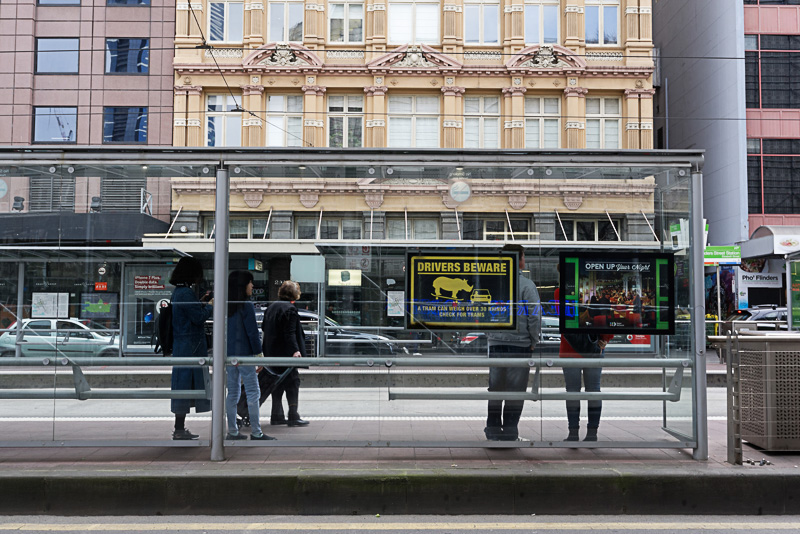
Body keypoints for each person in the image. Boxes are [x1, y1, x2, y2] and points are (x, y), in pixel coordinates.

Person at [485, 244, 541, 442]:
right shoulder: (527, 285)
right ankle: (509, 432)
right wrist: (534, 339)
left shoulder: (493, 283)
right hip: (520, 344)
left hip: (496, 343)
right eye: (524, 256)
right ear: (520, 260)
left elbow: (481, 310)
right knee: (515, 391)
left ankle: (492, 430)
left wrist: (490, 334)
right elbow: (534, 315)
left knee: (495, 388)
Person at [225, 270, 275, 441]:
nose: (252, 286)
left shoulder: (225, 306)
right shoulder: (246, 305)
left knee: (232, 393)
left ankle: (232, 430)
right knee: (254, 392)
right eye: (250, 282)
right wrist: (259, 354)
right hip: (245, 354)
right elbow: (252, 333)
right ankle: (256, 431)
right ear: (243, 285)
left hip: (229, 355)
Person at [168, 256, 213, 440]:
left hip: (182, 345)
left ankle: (179, 427)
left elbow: (190, 313)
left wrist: (200, 302)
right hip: (191, 346)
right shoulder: (185, 293)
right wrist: (209, 306)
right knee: (187, 385)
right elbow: (198, 318)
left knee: (183, 386)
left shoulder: (179, 292)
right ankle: (179, 429)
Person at [261, 280, 310, 427]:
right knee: (293, 382)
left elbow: (264, 327)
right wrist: (295, 350)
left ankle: (276, 415)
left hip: (271, 352)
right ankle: (293, 415)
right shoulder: (290, 309)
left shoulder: (271, 307)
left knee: (276, 383)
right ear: (294, 294)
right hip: (285, 353)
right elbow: (290, 333)